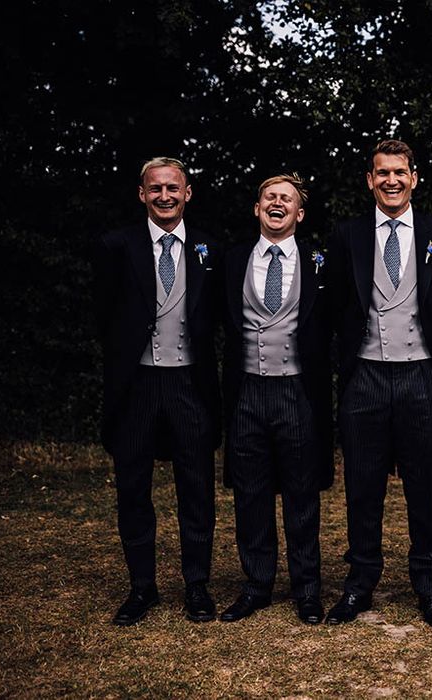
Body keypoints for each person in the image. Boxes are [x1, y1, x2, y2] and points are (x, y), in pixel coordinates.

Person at [325, 139, 432, 627]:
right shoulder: (347, 235)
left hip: (422, 374)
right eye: (382, 173)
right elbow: (338, 305)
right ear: (370, 180)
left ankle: (428, 584)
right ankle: (360, 583)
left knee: (425, 487)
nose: (391, 180)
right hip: (366, 375)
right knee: (362, 486)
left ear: (414, 177)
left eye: (400, 172)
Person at [94, 157, 222, 625]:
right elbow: (104, 316)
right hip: (139, 385)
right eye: (156, 189)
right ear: (142, 194)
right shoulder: (116, 246)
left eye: (173, 188)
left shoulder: (209, 248)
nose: (164, 196)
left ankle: (197, 585)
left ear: (187, 193)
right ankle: (141, 588)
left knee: (197, 488)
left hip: (191, 383)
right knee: (133, 488)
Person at [220, 174, 333, 625]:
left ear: (299, 214)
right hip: (247, 389)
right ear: (257, 208)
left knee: (302, 494)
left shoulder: (320, 261)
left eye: (287, 199)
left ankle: (307, 588)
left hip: (297, 390)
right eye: (270, 197)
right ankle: (256, 584)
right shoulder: (231, 260)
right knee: (251, 493)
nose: (278, 203)